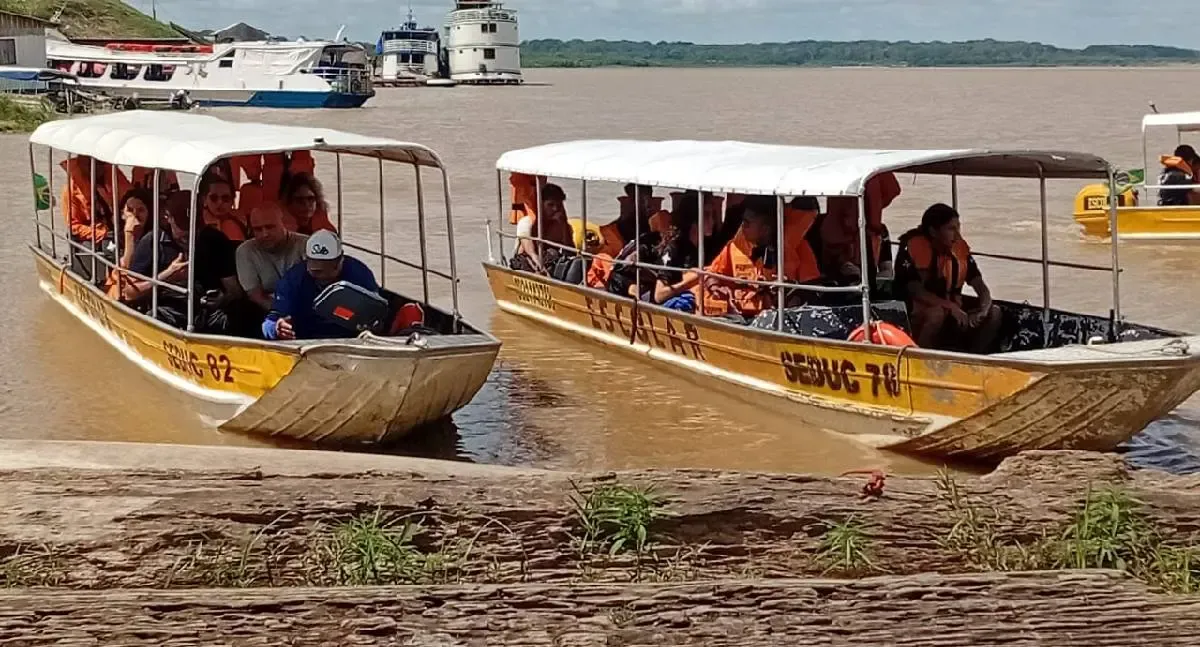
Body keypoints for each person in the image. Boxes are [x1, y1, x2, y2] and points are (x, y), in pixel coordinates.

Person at [121, 191, 238, 333]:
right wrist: (168, 276)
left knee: (240, 314)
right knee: (154, 319)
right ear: (168, 218)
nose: (189, 234)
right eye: (183, 228)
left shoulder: (216, 239)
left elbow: (233, 289)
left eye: (195, 228)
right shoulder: (153, 241)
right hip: (170, 309)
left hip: (209, 311)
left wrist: (223, 298)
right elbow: (130, 293)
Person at [894, 203, 1001, 353]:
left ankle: (976, 357)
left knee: (994, 312)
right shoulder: (912, 248)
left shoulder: (959, 249)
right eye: (951, 229)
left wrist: (984, 307)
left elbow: (979, 285)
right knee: (936, 314)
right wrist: (950, 307)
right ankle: (921, 357)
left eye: (958, 227)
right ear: (933, 231)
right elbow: (916, 291)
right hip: (918, 313)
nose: (957, 235)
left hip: (955, 310)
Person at [698, 195, 807, 320]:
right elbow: (711, 273)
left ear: (765, 229)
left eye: (747, 223)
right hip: (738, 317)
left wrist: (786, 290)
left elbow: (812, 289)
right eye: (742, 221)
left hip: (779, 319)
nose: (742, 226)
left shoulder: (797, 248)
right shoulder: (734, 248)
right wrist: (716, 287)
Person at [263, 230, 380, 341]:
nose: (322, 277)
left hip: (350, 339)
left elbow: (377, 315)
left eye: (327, 269)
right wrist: (276, 329)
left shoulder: (360, 274)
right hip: (305, 341)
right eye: (315, 271)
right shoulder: (293, 280)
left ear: (340, 260)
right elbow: (270, 322)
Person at [236, 203, 309, 313]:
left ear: (283, 224)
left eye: (270, 227)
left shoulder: (306, 245)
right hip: (268, 311)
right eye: (258, 229)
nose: (265, 234)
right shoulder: (246, 251)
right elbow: (256, 296)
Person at [102, 187, 155, 299]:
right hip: (118, 292)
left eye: (141, 210)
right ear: (122, 214)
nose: (135, 215)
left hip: (143, 290)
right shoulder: (113, 239)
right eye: (130, 210)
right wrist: (129, 234)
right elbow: (125, 270)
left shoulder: (152, 239)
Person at [512, 183, 574, 274]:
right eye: (550, 205)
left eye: (558, 205)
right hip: (527, 261)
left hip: (551, 261)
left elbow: (569, 250)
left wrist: (563, 225)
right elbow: (528, 247)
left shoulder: (559, 223)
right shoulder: (528, 221)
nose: (555, 208)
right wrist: (537, 261)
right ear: (540, 204)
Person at [200, 173, 249, 243]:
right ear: (204, 200)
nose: (220, 202)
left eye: (225, 198)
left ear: (232, 201)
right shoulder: (195, 222)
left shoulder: (235, 224)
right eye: (214, 198)